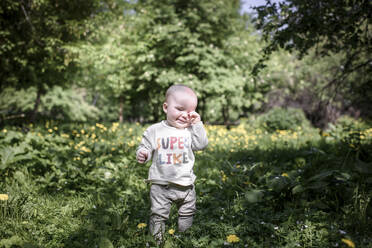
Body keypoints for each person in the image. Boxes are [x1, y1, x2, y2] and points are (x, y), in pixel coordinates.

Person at [136, 84, 208, 241]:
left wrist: (197, 124)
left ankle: (185, 238)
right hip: (162, 184)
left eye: (189, 113)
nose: (184, 115)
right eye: (179, 109)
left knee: (187, 212)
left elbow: (201, 144)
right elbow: (145, 147)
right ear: (165, 107)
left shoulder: (190, 131)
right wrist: (144, 154)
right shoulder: (155, 130)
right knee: (158, 214)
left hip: (186, 184)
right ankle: (157, 241)